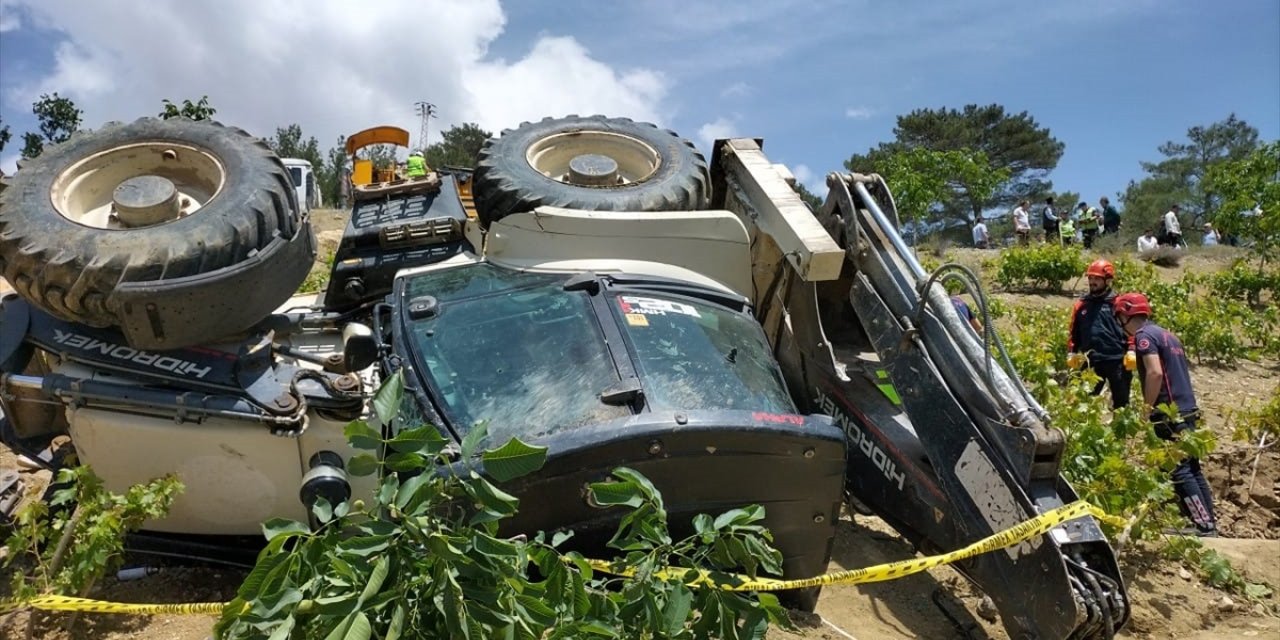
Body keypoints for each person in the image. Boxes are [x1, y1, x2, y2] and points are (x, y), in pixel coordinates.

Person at [1113, 292, 1218, 536]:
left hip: (1169, 413)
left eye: (1119, 317)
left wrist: (1146, 410)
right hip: (1187, 409)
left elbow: (1155, 373)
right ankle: (1208, 522)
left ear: (1125, 315)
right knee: (1192, 468)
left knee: (1178, 469)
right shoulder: (1168, 335)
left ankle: (1202, 525)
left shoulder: (1143, 337)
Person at [1066, 260, 1131, 408]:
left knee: (1121, 404)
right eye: (1090, 278)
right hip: (1091, 361)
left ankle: (1118, 430)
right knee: (1084, 401)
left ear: (1107, 280)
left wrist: (1132, 350)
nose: (1092, 282)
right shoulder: (1081, 304)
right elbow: (1073, 332)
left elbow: (1132, 329)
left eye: (1096, 278)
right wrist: (1072, 352)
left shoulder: (1119, 303)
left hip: (1117, 361)